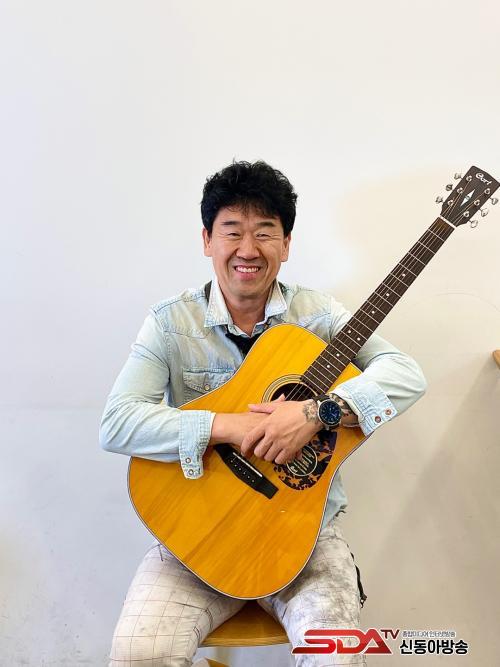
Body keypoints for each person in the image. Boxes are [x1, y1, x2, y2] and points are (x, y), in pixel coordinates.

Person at [100, 160, 426, 666]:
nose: (248, 249)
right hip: (197, 532)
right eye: (232, 231)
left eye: (265, 232)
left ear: (286, 244)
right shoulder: (170, 322)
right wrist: (231, 425)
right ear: (207, 240)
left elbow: (406, 374)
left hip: (306, 540)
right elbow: (118, 423)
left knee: (337, 658)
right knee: (138, 653)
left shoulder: (318, 316)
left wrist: (317, 413)